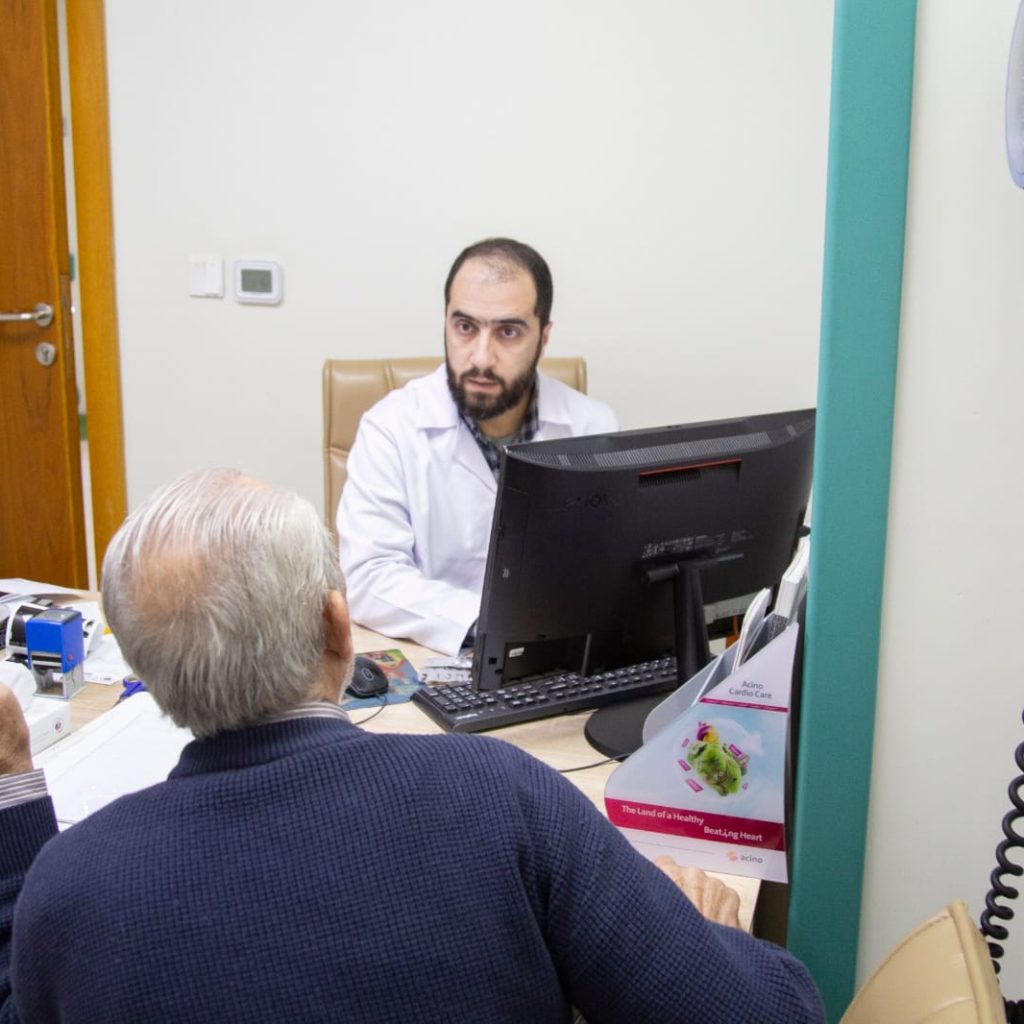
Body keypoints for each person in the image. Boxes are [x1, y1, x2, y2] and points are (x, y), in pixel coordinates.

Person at [0, 469, 825, 1024]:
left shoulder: (69, 891)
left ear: (144, 666)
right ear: (338, 627)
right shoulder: (498, 797)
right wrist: (703, 936)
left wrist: (13, 794)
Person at [337, 238, 619, 655]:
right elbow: (369, 577)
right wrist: (491, 622)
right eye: (465, 327)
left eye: (508, 332)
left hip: (557, 661)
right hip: (434, 657)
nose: (481, 358)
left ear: (543, 337)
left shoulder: (592, 428)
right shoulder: (390, 428)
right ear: (446, 323)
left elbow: (606, 570)